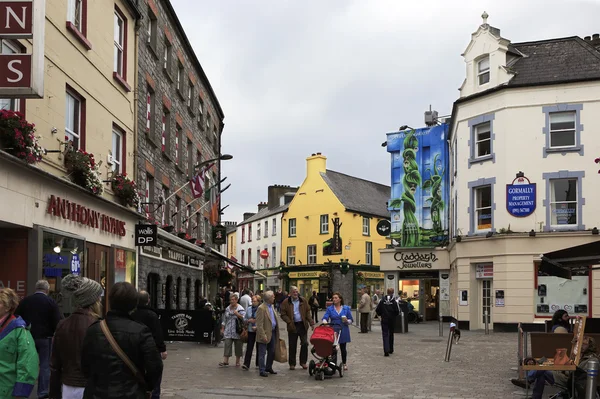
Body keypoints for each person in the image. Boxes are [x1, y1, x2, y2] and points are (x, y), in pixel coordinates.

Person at [81, 282, 163, 399]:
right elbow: (155, 366)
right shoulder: (141, 331)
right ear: (133, 304)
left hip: (97, 393)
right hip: (131, 393)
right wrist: (146, 386)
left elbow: (85, 365)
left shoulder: (94, 330)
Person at [49, 274, 103, 399]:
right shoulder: (98, 325)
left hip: (68, 387)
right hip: (91, 387)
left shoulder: (63, 325)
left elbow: (55, 364)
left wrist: (54, 394)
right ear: (93, 301)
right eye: (99, 298)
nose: (100, 301)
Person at [15, 279, 62, 399]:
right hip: (45, 338)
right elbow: (57, 320)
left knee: (26, 363)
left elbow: (17, 316)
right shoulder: (51, 302)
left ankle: (23, 391)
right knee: (45, 366)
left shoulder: (26, 301)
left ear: (36, 289)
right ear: (47, 290)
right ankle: (42, 392)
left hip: (28, 337)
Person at [0, 288, 39, 399]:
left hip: (7, 392)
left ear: (8, 307)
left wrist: (20, 393)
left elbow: (28, 363)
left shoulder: (20, 331)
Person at [132, 290, 167, 399]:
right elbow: (157, 334)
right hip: (151, 350)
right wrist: (162, 349)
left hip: (134, 349)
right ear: (148, 300)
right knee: (155, 374)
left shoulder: (132, 314)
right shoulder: (152, 315)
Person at [280, 286, 314, 370]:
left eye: (296, 292)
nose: (295, 294)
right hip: (292, 325)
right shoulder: (286, 302)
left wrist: (311, 322)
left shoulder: (303, 300)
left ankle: (303, 362)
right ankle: (292, 363)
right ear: (290, 293)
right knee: (292, 345)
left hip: (302, 325)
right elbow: (283, 314)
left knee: (305, 343)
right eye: (294, 292)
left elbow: (307, 312)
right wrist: (289, 322)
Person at [322, 292, 353, 370]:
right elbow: (325, 317)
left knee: (343, 347)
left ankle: (344, 363)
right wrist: (325, 321)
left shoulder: (346, 308)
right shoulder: (330, 308)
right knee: (333, 348)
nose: (334, 299)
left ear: (340, 299)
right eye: (333, 298)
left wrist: (347, 321)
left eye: (336, 298)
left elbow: (351, 320)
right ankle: (333, 364)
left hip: (343, 328)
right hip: (334, 329)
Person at [256, 290, 281, 377]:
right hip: (265, 333)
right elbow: (259, 324)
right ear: (268, 298)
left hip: (273, 332)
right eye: (273, 297)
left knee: (272, 351)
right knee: (262, 353)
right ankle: (262, 370)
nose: (274, 298)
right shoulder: (261, 308)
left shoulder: (272, 307)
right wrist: (263, 335)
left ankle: (268, 367)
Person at [219, 293, 246, 367]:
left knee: (238, 346)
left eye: (233, 300)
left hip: (237, 331)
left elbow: (244, 318)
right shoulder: (227, 308)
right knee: (227, 345)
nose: (231, 301)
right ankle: (225, 361)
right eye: (231, 300)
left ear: (237, 300)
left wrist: (238, 314)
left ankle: (237, 361)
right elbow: (224, 319)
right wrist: (222, 328)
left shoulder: (240, 309)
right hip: (228, 330)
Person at [376, 288, 400, 356]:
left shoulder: (382, 300)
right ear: (393, 292)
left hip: (384, 319)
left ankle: (386, 349)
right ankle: (391, 349)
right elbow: (397, 311)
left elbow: (378, 310)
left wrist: (382, 315)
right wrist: (393, 316)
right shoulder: (394, 301)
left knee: (385, 334)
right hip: (392, 320)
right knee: (391, 334)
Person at [242, 295, 261, 370]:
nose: (253, 303)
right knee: (249, 347)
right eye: (252, 301)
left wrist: (255, 321)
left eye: (254, 301)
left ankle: (259, 363)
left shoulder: (261, 309)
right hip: (250, 330)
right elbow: (244, 318)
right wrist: (248, 320)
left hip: (258, 330)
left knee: (259, 347)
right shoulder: (249, 309)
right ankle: (246, 364)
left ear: (258, 302)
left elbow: (262, 319)